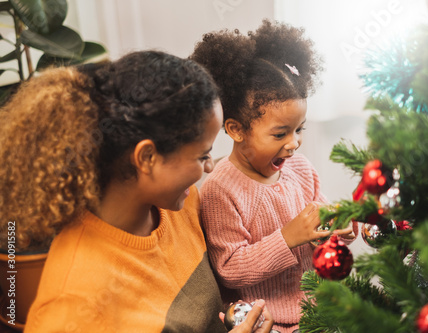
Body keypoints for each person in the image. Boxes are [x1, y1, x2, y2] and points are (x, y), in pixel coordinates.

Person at [0, 51, 273, 332]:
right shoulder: (73, 302)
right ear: (146, 158)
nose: (209, 168)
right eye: (203, 155)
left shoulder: (182, 204)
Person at [191, 20, 355, 333]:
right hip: (272, 323)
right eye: (280, 133)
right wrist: (287, 238)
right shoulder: (219, 190)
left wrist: (341, 225)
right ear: (236, 129)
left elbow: (321, 222)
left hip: (324, 308)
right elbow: (228, 269)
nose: (293, 143)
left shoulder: (301, 169)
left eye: (299, 129)